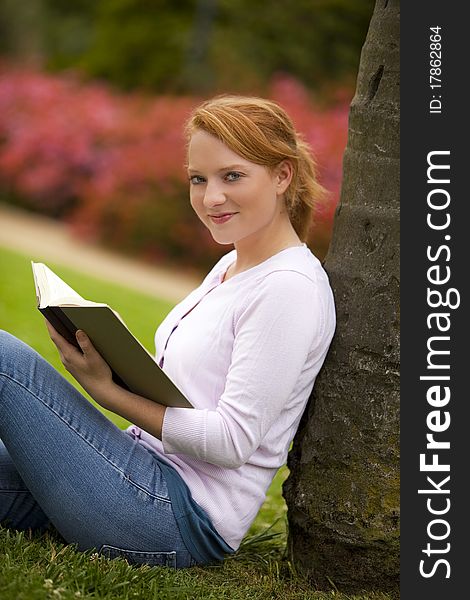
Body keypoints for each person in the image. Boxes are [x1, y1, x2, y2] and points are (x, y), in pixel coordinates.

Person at [0, 95, 336, 568]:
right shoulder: (231, 264)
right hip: (131, 470)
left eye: (232, 176)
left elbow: (231, 441)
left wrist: (106, 392)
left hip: (174, 516)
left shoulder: (290, 290)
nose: (211, 197)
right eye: (198, 179)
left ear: (282, 175)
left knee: (5, 362)